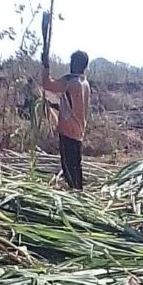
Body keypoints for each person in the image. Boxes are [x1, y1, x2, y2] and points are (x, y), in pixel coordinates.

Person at [41, 50, 91, 190]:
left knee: (68, 166)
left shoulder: (71, 82)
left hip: (68, 131)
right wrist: (54, 106)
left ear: (76, 64)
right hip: (78, 130)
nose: (70, 65)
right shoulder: (84, 83)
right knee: (76, 165)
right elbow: (72, 107)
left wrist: (45, 66)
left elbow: (47, 85)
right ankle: (79, 191)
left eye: (72, 62)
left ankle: (74, 193)